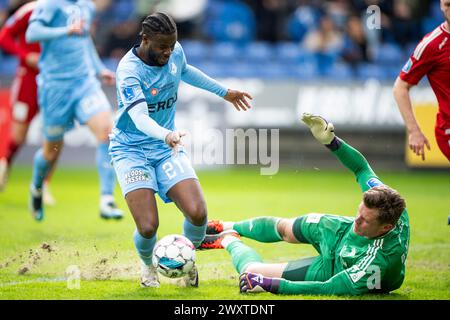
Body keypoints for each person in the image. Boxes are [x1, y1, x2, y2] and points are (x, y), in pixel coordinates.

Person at [110, 12, 252, 288]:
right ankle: (148, 264)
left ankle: (187, 261)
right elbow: (139, 119)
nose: (168, 52)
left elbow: (185, 70)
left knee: (198, 212)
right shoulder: (128, 71)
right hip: (131, 150)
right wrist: (167, 134)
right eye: (162, 47)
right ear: (145, 39)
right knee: (148, 226)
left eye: (172, 46)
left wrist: (225, 92)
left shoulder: (174, 52)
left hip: (165, 149)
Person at [200, 113, 409, 296]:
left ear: (386, 227)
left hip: (336, 268)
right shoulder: (385, 199)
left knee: (253, 272)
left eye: (365, 220)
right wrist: (332, 142)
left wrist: (272, 285)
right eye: (359, 212)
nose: (358, 219)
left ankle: (228, 240)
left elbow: (331, 288)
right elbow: (361, 169)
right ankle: (227, 226)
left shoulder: (379, 260)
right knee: (285, 228)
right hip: (338, 233)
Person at [25, 0, 124, 221]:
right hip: (56, 88)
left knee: (107, 131)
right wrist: (64, 30)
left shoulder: (86, 6)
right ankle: (37, 187)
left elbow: (84, 39)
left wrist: (99, 70)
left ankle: (107, 199)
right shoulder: (51, 4)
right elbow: (32, 33)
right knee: (51, 151)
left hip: (84, 83)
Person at [0, 0, 55, 205]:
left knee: (55, 135)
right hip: (28, 80)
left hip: (56, 80)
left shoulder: (67, 11)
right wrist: (25, 56)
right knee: (19, 134)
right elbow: (4, 36)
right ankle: (5, 164)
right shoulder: (30, 10)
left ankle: (43, 185)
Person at [393, 0, 450, 162]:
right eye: (448, 5)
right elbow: (400, 87)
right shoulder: (432, 45)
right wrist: (414, 130)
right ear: (441, 5)